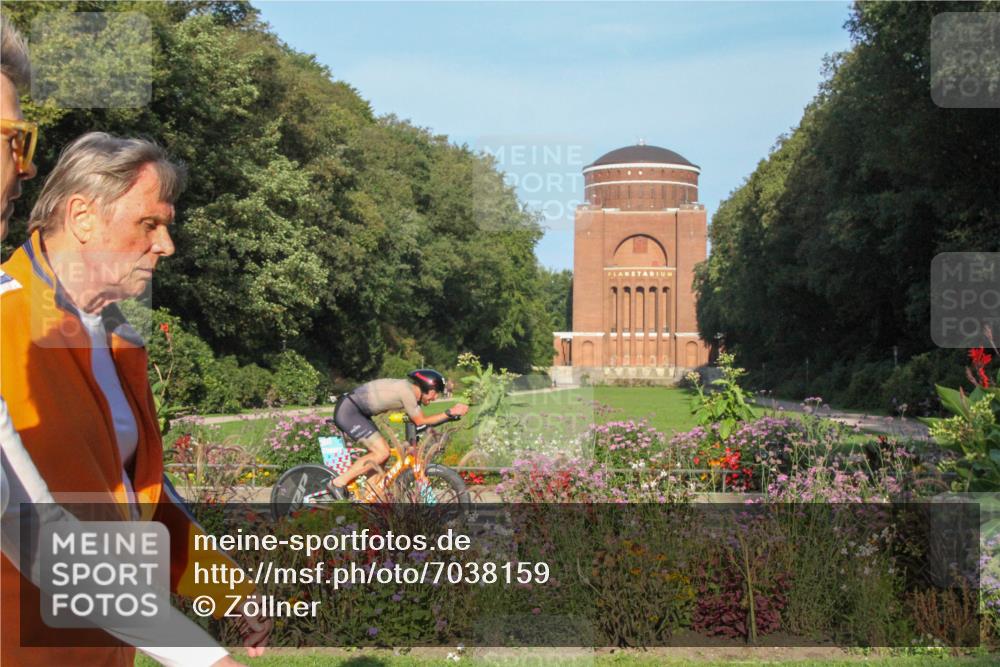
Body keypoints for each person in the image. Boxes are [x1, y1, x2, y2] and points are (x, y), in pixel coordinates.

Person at [0, 125, 268, 664]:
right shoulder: (5, 322)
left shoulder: (119, 337)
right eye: (149, 224)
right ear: (81, 217)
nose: (165, 246)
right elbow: (31, 526)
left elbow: (142, 492)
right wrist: (200, 657)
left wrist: (225, 588)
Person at [327, 369, 470, 496]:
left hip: (359, 413)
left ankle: (369, 498)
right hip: (349, 411)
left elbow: (419, 422)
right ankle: (338, 483)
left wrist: (449, 418)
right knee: (382, 452)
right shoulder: (407, 392)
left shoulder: (412, 395)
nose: (435, 397)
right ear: (427, 387)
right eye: (435, 392)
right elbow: (421, 421)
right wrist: (449, 413)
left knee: (381, 459)